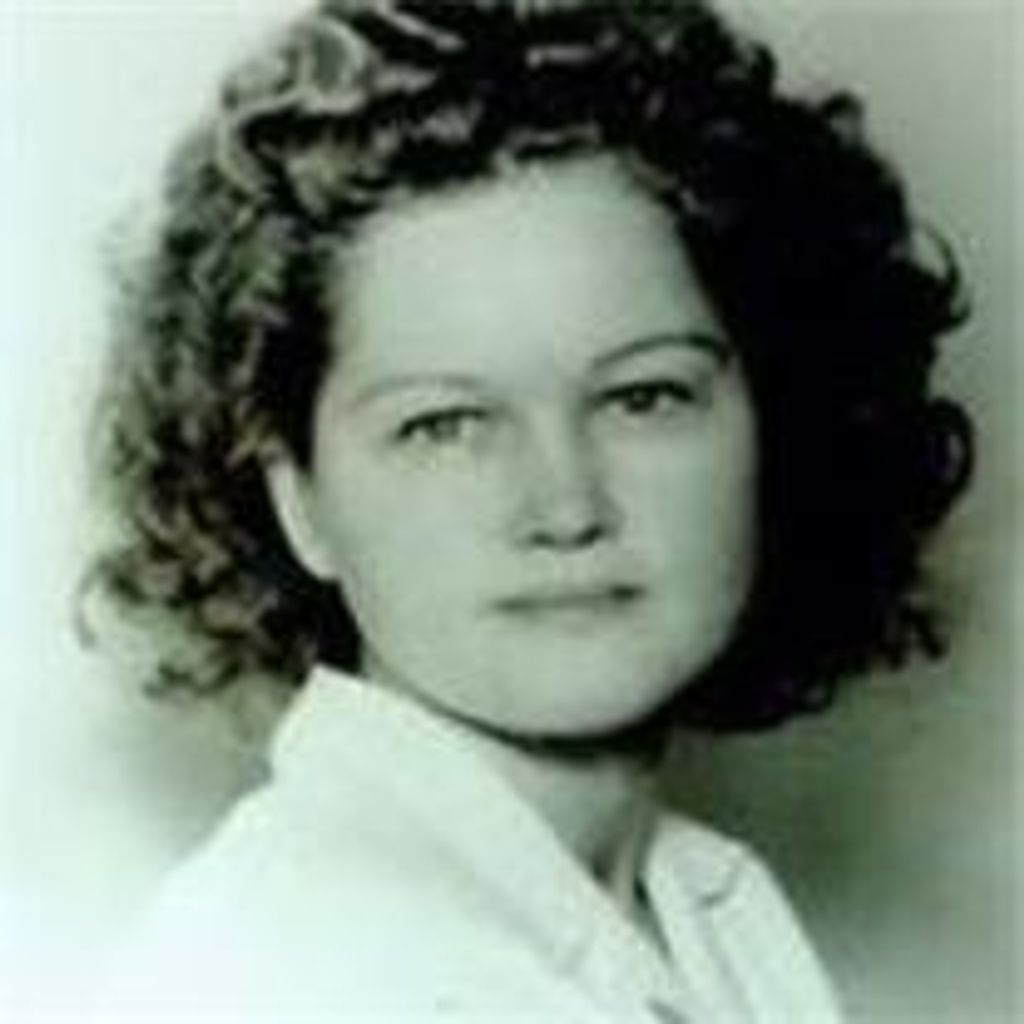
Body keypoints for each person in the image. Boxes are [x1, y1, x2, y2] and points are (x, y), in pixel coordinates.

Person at [81, 0, 973, 1020]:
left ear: (777, 423)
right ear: (298, 501)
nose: (565, 507)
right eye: (446, 425)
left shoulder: (714, 905)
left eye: (644, 397)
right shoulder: (286, 963)